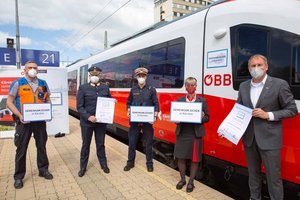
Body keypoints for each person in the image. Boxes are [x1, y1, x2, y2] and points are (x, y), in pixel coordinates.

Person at [237, 54, 298, 200]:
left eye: (259, 65)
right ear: (249, 68)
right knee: (253, 175)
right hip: (250, 139)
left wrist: (268, 115)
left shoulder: (279, 84)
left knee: (273, 177)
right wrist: (229, 129)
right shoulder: (243, 86)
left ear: (266, 67)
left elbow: (292, 109)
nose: (256, 68)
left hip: (270, 140)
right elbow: (239, 109)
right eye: (253, 66)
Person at [6, 60, 53, 189]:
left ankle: (43, 170)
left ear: (37, 70)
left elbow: (48, 99)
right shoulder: (17, 83)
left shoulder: (43, 83)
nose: (33, 69)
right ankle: (18, 177)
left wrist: (48, 112)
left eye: (35, 67)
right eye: (30, 67)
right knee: (21, 149)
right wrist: (20, 115)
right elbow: (9, 102)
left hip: (40, 122)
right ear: (25, 70)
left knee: (41, 146)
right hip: (23, 122)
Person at [174, 77, 209, 193]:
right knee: (181, 158)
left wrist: (203, 117)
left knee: (195, 160)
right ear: (185, 87)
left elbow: (208, 117)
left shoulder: (202, 101)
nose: (190, 87)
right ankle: (182, 179)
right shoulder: (179, 101)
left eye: (193, 85)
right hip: (182, 133)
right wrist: (176, 120)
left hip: (195, 134)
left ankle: (191, 182)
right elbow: (176, 116)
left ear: (196, 86)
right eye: (188, 85)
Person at [77, 66, 111, 177]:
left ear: (100, 76)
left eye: (97, 75)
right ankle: (83, 167)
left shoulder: (105, 88)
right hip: (87, 123)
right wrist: (88, 117)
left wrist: (112, 102)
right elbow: (80, 107)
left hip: (101, 123)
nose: (95, 77)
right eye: (93, 75)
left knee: (100, 144)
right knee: (85, 145)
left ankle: (103, 164)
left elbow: (109, 101)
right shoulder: (83, 88)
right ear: (89, 75)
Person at [124, 67, 160, 172]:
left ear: (146, 77)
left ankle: (149, 164)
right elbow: (128, 103)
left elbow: (156, 103)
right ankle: (130, 163)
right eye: (139, 76)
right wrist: (128, 110)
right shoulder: (133, 89)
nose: (141, 78)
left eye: (143, 76)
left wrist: (155, 114)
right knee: (132, 142)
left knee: (148, 143)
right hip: (134, 122)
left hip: (147, 122)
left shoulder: (151, 89)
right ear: (136, 77)